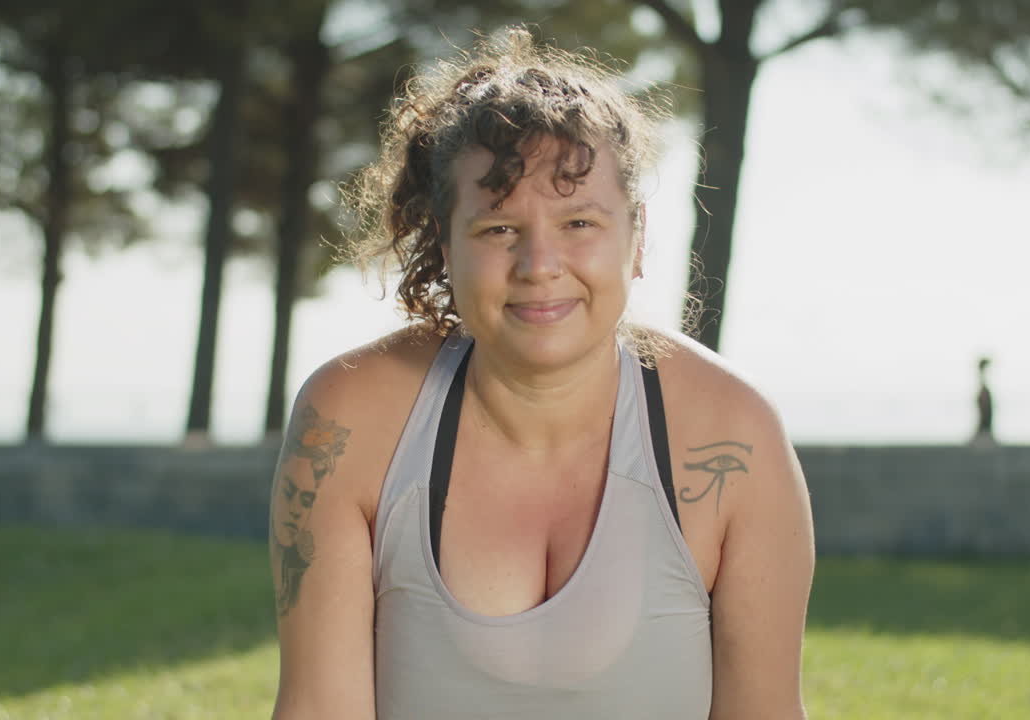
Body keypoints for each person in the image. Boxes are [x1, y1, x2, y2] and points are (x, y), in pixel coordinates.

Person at [268, 27, 815, 720]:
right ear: (445, 241)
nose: (539, 266)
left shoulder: (735, 435)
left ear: (637, 237)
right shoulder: (351, 417)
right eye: (499, 229)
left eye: (579, 223)